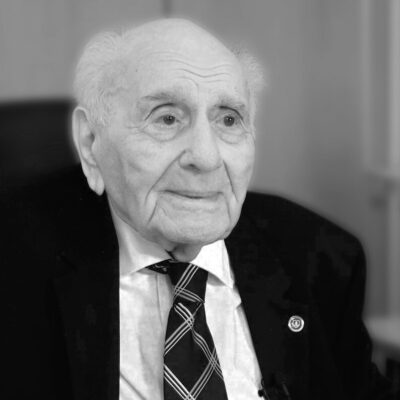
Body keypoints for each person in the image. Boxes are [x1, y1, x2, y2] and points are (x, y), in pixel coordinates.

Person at [1, 18, 398, 400]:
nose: (206, 158)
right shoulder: (14, 263)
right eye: (167, 118)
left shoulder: (320, 257)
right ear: (91, 143)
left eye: (229, 120)